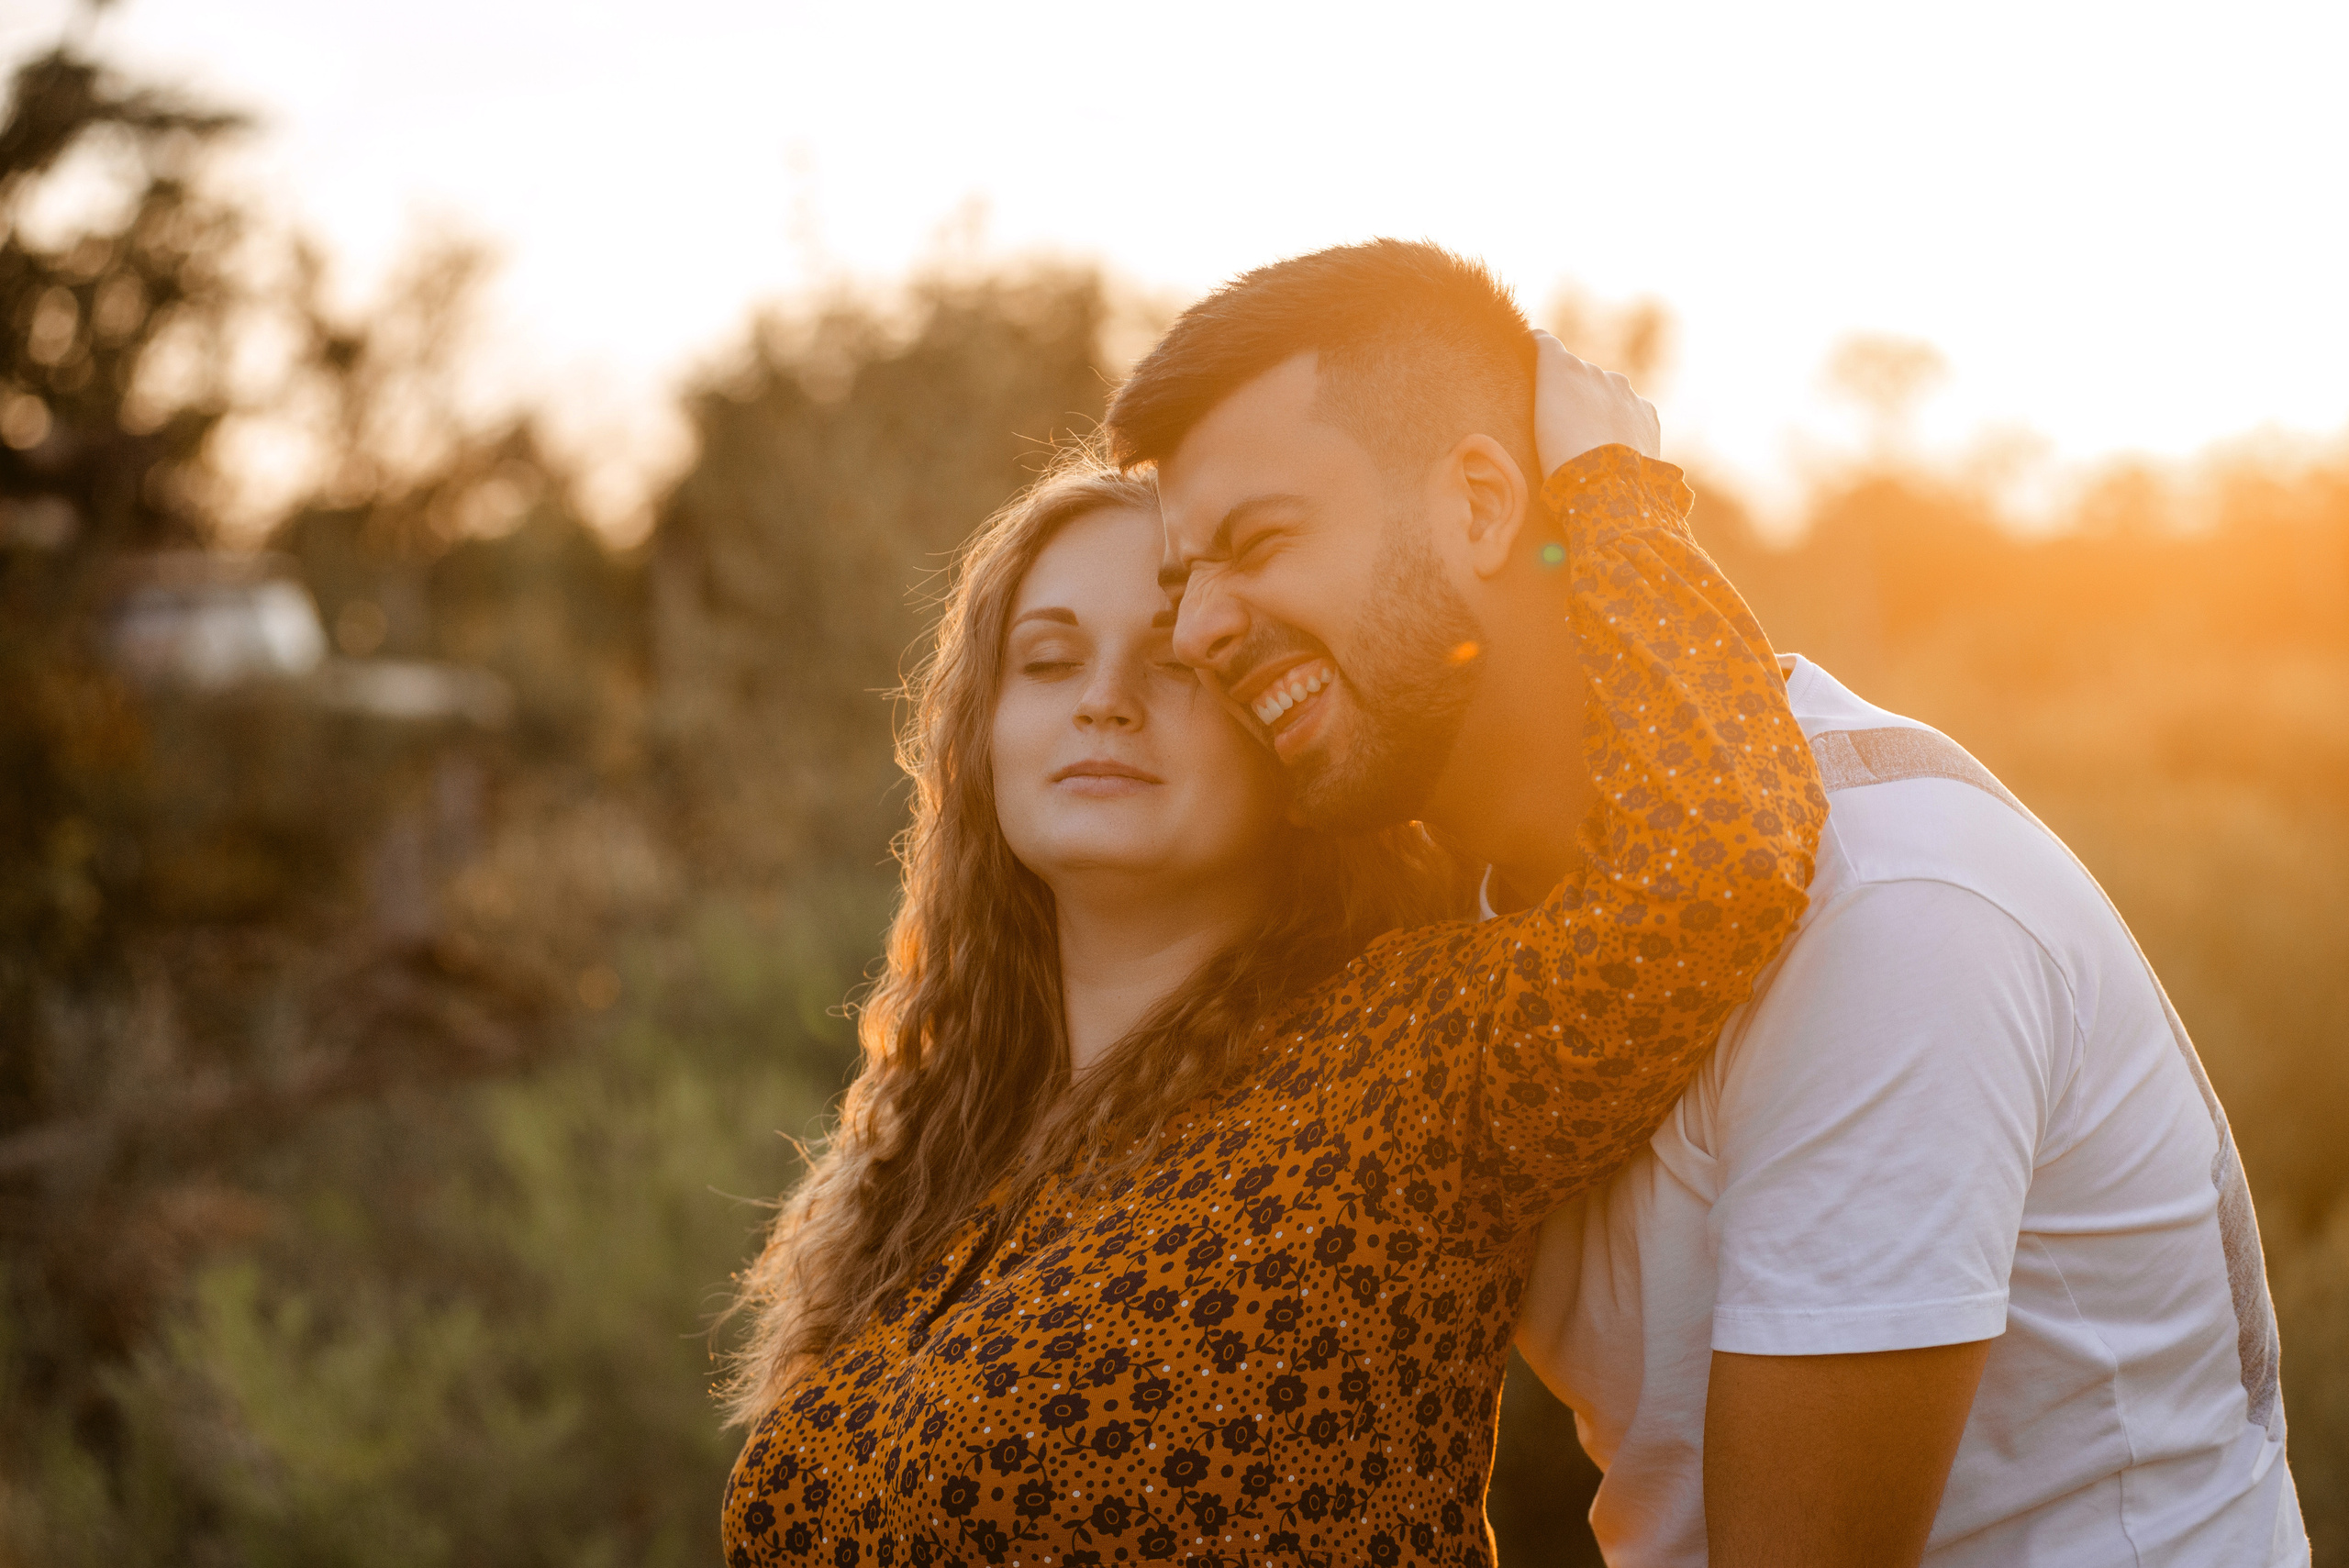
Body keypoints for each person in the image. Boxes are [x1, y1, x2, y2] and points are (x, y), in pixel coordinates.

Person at [1108, 239, 2310, 1566]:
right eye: (1183, 582)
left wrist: (1621, 505)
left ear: (1480, 506)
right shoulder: (1452, 945)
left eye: (1258, 542)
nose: (1197, 631)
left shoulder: (1886, 909)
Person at [718, 247, 1825, 1565]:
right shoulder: (938, 1156)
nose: (1106, 696)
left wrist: (1607, 500)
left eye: (1176, 649)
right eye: (1049, 655)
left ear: (1267, 724)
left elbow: (1718, 860)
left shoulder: (1404, 1065)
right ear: (978, 735)